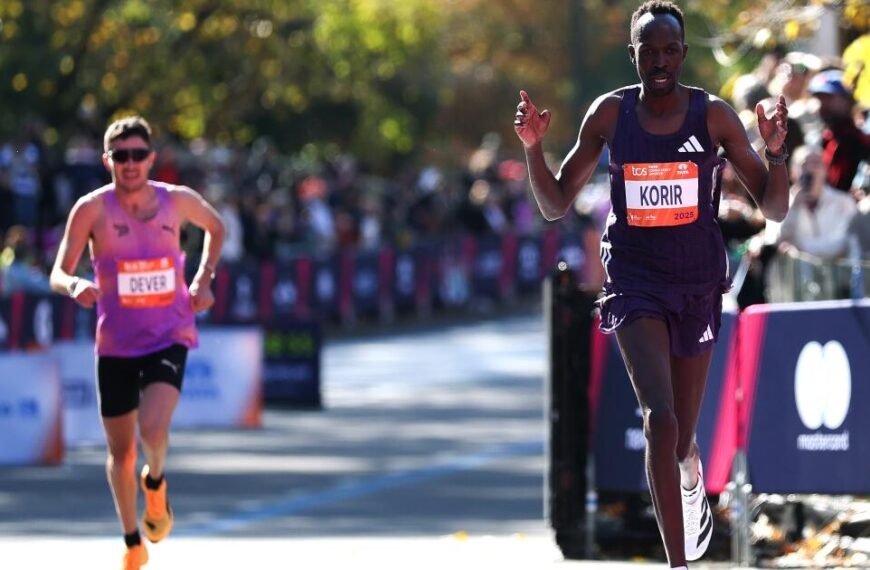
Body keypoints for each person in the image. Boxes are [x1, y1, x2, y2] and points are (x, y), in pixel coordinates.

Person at [513, 1, 790, 567]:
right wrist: (533, 149)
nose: (660, 61)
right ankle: (677, 562)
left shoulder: (712, 116)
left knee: (682, 435)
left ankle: (692, 477)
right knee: (658, 419)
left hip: (696, 284)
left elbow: (777, 206)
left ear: (683, 55)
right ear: (633, 54)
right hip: (635, 280)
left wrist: (776, 151)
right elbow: (555, 202)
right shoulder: (610, 116)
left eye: (670, 51)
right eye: (649, 50)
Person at [49, 116, 225, 570]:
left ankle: (158, 482)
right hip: (116, 344)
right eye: (120, 156)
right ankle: (132, 541)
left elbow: (216, 227)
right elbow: (58, 270)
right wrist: (74, 286)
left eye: (137, 155)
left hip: (169, 333)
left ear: (151, 158)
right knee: (121, 452)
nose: (130, 165)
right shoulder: (91, 209)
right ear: (108, 160)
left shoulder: (176, 201)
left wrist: (203, 280)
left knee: (152, 429)